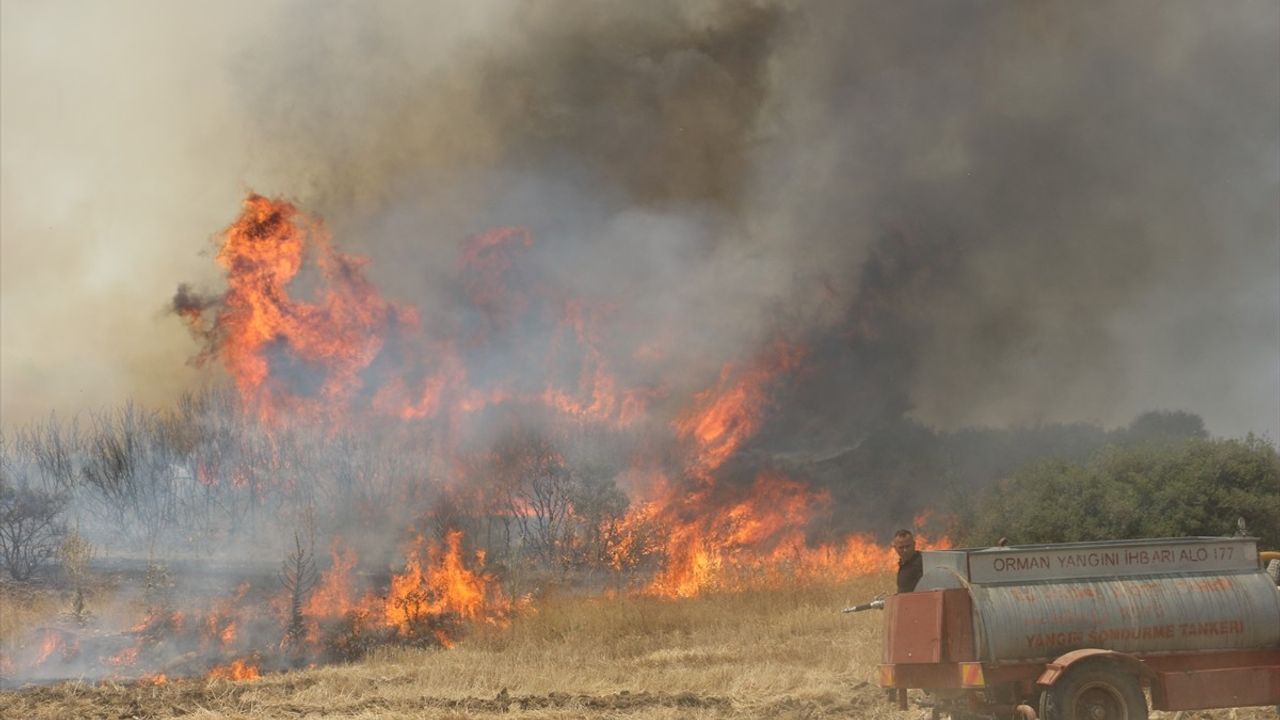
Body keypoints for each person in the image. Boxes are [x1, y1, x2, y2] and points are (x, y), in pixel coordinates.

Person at [892, 529, 922, 593]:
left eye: (908, 546)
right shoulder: (903, 564)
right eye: (901, 547)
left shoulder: (922, 563)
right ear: (895, 548)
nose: (905, 550)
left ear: (914, 544)